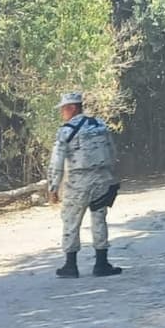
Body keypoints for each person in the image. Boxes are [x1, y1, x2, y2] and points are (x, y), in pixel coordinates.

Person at [48, 92, 122, 278]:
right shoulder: (100, 125)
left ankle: (70, 265)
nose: (62, 113)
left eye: (64, 109)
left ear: (73, 108)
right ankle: (101, 263)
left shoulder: (66, 131)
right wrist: (111, 176)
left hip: (78, 183)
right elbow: (112, 152)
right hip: (102, 180)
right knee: (99, 219)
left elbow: (57, 162)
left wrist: (53, 187)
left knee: (71, 221)